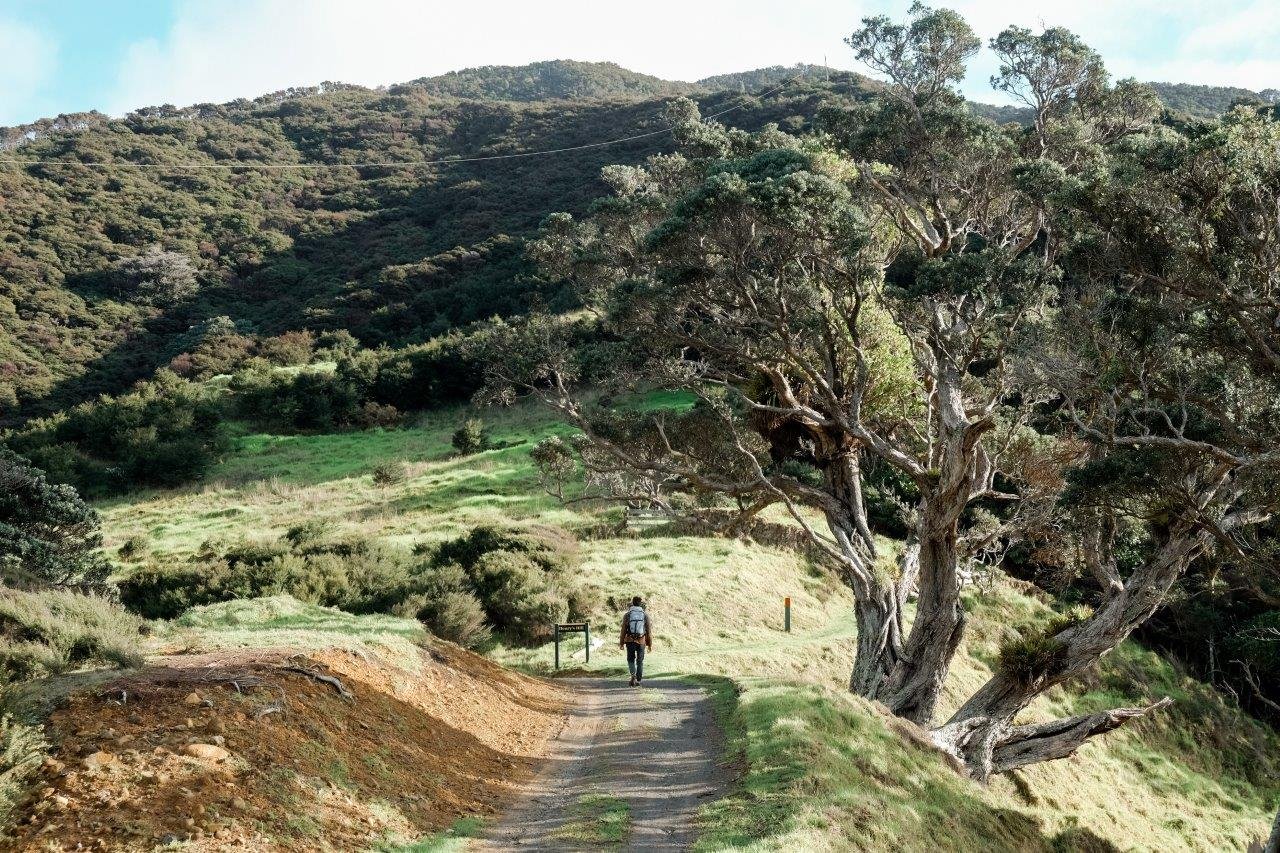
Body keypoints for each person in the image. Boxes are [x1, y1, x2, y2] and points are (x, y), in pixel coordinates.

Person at [618, 595, 652, 687]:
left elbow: (623, 630)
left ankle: (633, 675)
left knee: (630, 659)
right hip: (641, 640)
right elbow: (648, 631)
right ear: (641, 604)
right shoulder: (645, 615)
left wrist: (621, 643)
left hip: (630, 640)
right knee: (640, 661)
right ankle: (638, 680)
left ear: (632, 603)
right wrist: (649, 644)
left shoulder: (628, 614)